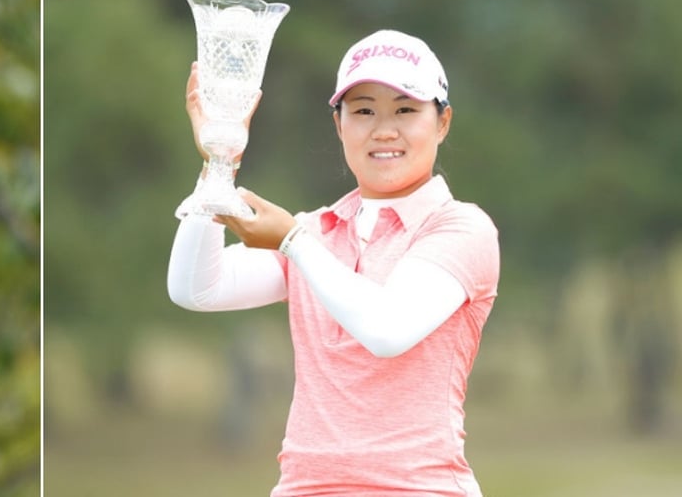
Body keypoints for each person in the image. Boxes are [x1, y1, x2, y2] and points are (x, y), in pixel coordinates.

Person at [167, 29, 500, 496]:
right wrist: (219, 164)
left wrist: (294, 243)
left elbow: (388, 329)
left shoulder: (461, 228)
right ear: (339, 124)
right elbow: (196, 288)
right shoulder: (318, 231)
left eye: (406, 109)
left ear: (442, 123)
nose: (384, 129)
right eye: (363, 110)